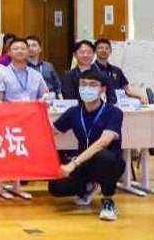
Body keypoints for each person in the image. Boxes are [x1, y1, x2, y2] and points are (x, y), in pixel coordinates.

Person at [49, 69, 124, 221]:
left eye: (92, 85)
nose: (87, 88)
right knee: (56, 187)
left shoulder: (114, 112)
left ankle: (108, 201)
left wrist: (73, 163)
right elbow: (51, 131)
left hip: (110, 164)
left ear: (102, 89)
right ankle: (89, 187)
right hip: (84, 164)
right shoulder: (74, 112)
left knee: (104, 156)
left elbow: (103, 142)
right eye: (83, 84)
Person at [0, 38, 47, 200]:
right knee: (4, 152)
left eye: (23, 48)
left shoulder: (36, 75)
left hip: (29, 119)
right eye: (15, 48)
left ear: (28, 51)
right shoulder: (2, 73)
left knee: (21, 151)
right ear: (9, 52)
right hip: (8, 118)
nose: (20, 51)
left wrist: (44, 99)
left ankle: (17, 185)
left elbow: (45, 94)